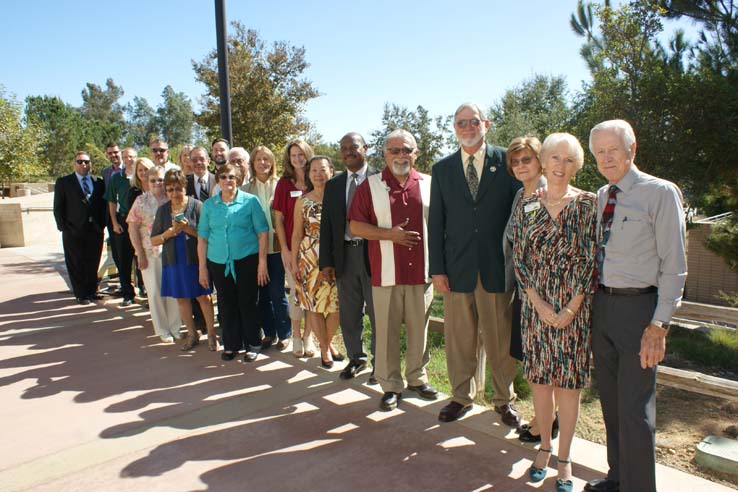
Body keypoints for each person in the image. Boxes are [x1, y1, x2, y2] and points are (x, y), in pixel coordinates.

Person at [585, 120, 687, 492]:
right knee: (611, 403)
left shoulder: (659, 193)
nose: (606, 158)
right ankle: (618, 478)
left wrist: (659, 324)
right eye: (599, 152)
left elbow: (675, 265)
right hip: (604, 308)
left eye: (613, 150)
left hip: (640, 312)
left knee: (635, 408)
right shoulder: (600, 195)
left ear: (633, 149)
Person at [512, 133, 597, 492]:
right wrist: (539, 304)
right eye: (554, 158)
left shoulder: (588, 204)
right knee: (541, 384)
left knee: (568, 387)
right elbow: (520, 257)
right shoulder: (528, 203)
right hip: (536, 308)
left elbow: (593, 260)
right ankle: (543, 449)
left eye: (569, 160)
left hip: (574, 310)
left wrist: (570, 308)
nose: (561, 166)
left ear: (576, 165)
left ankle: (565, 461)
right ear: (543, 162)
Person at [428, 102, 521, 424]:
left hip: (498, 267)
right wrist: (436, 268)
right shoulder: (442, 169)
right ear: (454, 128)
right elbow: (436, 222)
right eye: (460, 123)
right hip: (456, 269)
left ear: (486, 124)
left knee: (500, 339)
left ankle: (504, 399)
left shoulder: (506, 163)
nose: (467, 127)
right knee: (459, 338)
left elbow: (517, 213)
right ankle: (460, 397)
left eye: (473, 121)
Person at [348, 129, 438, 411]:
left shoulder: (430, 185)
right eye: (394, 151)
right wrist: (390, 235)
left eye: (406, 150)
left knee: (418, 330)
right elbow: (355, 226)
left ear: (416, 153)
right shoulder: (370, 186)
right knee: (385, 331)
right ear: (385, 155)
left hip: (421, 273)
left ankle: (416, 378)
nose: (401, 155)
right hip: (385, 272)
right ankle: (389, 385)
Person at [503, 136, 559, 444]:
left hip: (542, 295)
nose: (521, 165)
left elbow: (539, 246)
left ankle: (545, 422)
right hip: (523, 292)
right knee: (532, 359)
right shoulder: (520, 195)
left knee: (543, 360)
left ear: (540, 161)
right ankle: (545, 417)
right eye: (515, 161)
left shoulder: (543, 194)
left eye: (527, 159)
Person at [319, 132, 379, 382]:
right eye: (343, 148)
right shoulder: (333, 185)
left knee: (377, 312)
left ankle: (381, 364)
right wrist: (326, 262)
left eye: (353, 147)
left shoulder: (380, 179)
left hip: (374, 254)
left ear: (365, 148)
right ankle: (357, 358)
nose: (348, 152)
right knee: (349, 312)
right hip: (345, 256)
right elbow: (328, 226)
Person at [198, 163, 269, 362]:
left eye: (231, 176)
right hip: (218, 261)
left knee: (247, 302)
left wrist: (262, 262)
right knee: (226, 303)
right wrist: (202, 268)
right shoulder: (209, 206)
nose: (227, 180)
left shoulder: (250, 201)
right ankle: (231, 344)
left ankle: (253, 343)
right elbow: (202, 238)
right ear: (218, 181)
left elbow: (262, 233)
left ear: (237, 179)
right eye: (223, 177)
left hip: (246, 259)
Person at [152, 170, 217, 351]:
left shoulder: (197, 206)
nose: (174, 193)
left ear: (184, 187)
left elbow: (207, 235)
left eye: (178, 189)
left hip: (196, 259)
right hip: (173, 260)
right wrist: (170, 232)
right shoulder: (163, 211)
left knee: (203, 296)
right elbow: (153, 239)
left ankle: (211, 333)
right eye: (170, 189)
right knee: (181, 299)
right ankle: (192, 333)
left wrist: (187, 228)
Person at [292, 156, 340, 368]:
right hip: (309, 258)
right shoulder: (302, 201)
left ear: (331, 171)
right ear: (308, 174)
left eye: (323, 169)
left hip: (338, 257)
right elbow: (296, 234)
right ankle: (324, 348)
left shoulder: (341, 198)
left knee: (337, 307)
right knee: (315, 306)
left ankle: (326, 342)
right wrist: (294, 263)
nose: (318, 174)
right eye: (314, 170)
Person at [127, 162, 182, 342]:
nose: (157, 183)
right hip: (150, 254)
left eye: (160, 180)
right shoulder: (140, 201)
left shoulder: (172, 199)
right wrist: (140, 254)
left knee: (173, 290)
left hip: (172, 252)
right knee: (155, 291)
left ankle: (175, 326)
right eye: (153, 180)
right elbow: (133, 228)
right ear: (146, 182)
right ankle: (162, 329)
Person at [244, 146, 291, 350]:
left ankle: (284, 333)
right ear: (252, 164)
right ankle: (269, 333)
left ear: (272, 163)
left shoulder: (280, 185)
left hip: (278, 247)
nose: (263, 163)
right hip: (255, 250)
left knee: (277, 292)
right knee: (261, 295)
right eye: (258, 160)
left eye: (266, 159)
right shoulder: (245, 189)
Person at [273, 140, 316, 357]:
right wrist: (285, 249)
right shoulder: (284, 184)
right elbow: (278, 220)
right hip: (292, 248)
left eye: (301, 154)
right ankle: (296, 336)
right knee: (296, 292)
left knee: (312, 292)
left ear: (308, 155)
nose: (298, 159)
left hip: (314, 250)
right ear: (289, 159)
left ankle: (309, 336)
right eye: (293, 155)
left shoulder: (316, 180)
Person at [53, 151, 107, 305]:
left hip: (95, 230)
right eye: (80, 161)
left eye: (86, 161)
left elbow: (103, 206)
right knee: (76, 262)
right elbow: (58, 207)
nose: (83, 164)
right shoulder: (64, 182)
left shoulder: (99, 182)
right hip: (73, 230)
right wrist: (63, 227)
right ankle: (81, 294)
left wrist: (101, 224)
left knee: (93, 261)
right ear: (74, 163)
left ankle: (91, 291)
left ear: (91, 164)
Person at [105, 148, 137, 306]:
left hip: (141, 222)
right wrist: (114, 223)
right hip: (123, 221)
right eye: (125, 156)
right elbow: (111, 200)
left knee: (142, 257)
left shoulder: (142, 175)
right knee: (124, 260)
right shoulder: (116, 177)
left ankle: (143, 287)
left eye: (131, 156)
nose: (128, 159)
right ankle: (127, 293)